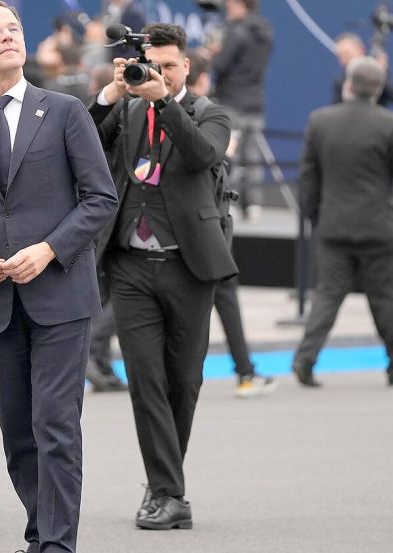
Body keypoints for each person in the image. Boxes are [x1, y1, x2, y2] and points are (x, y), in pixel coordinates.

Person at [0, 2, 119, 551]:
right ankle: (41, 533)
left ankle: (56, 545)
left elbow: (100, 198)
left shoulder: (64, 110)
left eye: (14, 28)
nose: (9, 37)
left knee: (56, 427)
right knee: (19, 434)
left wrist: (49, 249)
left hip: (60, 294)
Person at [90, 23, 236, 530]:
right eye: (153, 65)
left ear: (186, 68)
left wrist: (164, 102)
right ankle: (171, 495)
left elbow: (203, 154)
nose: (158, 74)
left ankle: (162, 488)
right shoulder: (126, 109)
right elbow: (84, 139)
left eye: (169, 66)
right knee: (145, 380)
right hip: (130, 263)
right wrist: (111, 92)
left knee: (183, 382)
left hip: (189, 266)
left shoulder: (208, 112)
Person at [292, 57, 393, 388]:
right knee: (385, 299)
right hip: (381, 228)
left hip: (334, 225)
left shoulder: (320, 121)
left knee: (327, 297)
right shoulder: (390, 123)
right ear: (377, 89)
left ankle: (304, 360)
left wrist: (315, 215)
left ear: (348, 84)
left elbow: (308, 175)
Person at [188, 48, 276, 397]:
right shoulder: (209, 116)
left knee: (218, 300)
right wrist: (225, 154)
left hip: (198, 229)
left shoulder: (181, 113)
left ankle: (244, 370)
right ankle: (244, 372)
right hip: (207, 230)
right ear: (205, 78)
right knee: (219, 299)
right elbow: (212, 166)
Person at [209, 0, 272, 221]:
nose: (227, 7)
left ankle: (231, 202)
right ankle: (253, 204)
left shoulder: (236, 31)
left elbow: (220, 65)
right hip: (255, 102)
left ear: (240, 4)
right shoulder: (266, 31)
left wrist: (214, 53)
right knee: (251, 156)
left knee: (230, 153)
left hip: (232, 102)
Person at [332, 32, 393, 107]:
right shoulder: (340, 81)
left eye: (346, 54)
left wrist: (380, 75)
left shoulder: (380, 72)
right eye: (340, 57)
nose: (343, 61)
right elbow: (335, 109)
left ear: (360, 50)